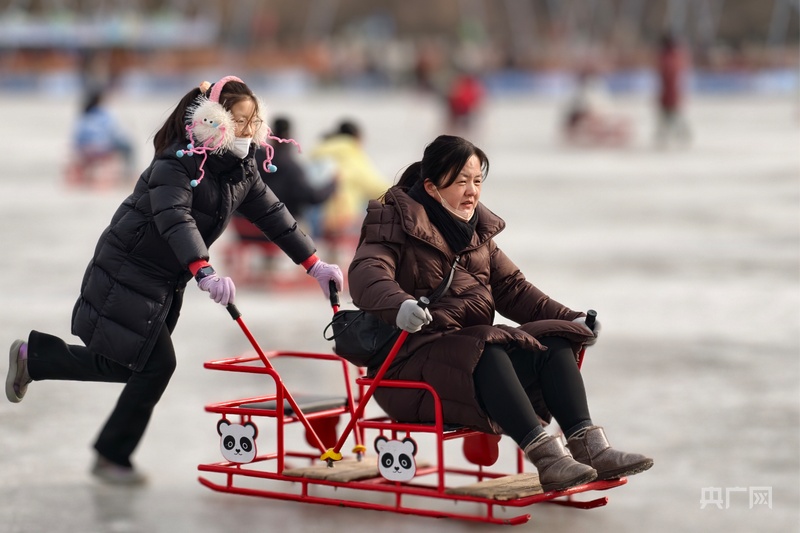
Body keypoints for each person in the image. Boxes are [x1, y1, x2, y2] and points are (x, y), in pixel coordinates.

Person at [5, 75, 344, 485]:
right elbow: (175, 217)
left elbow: (274, 216)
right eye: (239, 120)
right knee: (155, 365)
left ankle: (37, 359)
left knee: (130, 364)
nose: (248, 129)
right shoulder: (177, 163)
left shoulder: (241, 169)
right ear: (214, 120)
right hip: (129, 268)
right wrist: (203, 269)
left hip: (164, 278)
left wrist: (313, 263)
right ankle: (111, 454)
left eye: (253, 120)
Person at [347, 135, 653, 492]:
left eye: (477, 181)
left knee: (552, 341)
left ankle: (590, 447)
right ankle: (549, 460)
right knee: (486, 346)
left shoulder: (476, 232)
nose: (472, 191)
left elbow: (513, 289)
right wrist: (399, 304)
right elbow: (367, 273)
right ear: (431, 187)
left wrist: (571, 318)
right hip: (406, 369)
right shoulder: (392, 223)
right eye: (461, 181)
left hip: (464, 359)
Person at [309, 120, 389, 257]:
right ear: (357, 138)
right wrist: (403, 194)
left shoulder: (318, 153)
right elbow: (375, 186)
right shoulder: (352, 155)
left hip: (315, 219)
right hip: (341, 219)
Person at [70, 86, 136, 181]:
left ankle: (88, 175)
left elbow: (76, 137)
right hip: (101, 149)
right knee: (128, 147)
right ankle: (128, 174)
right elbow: (112, 133)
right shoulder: (104, 113)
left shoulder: (82, 116)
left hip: (83, 150)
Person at [655, 32, 692, 147]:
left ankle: (678, 135)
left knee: (670, 117)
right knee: (671, 117)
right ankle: (677, 135)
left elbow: (669, 77)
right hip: (671, 94)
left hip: (669, 95)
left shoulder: (668, 58)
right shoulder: (676, 56)